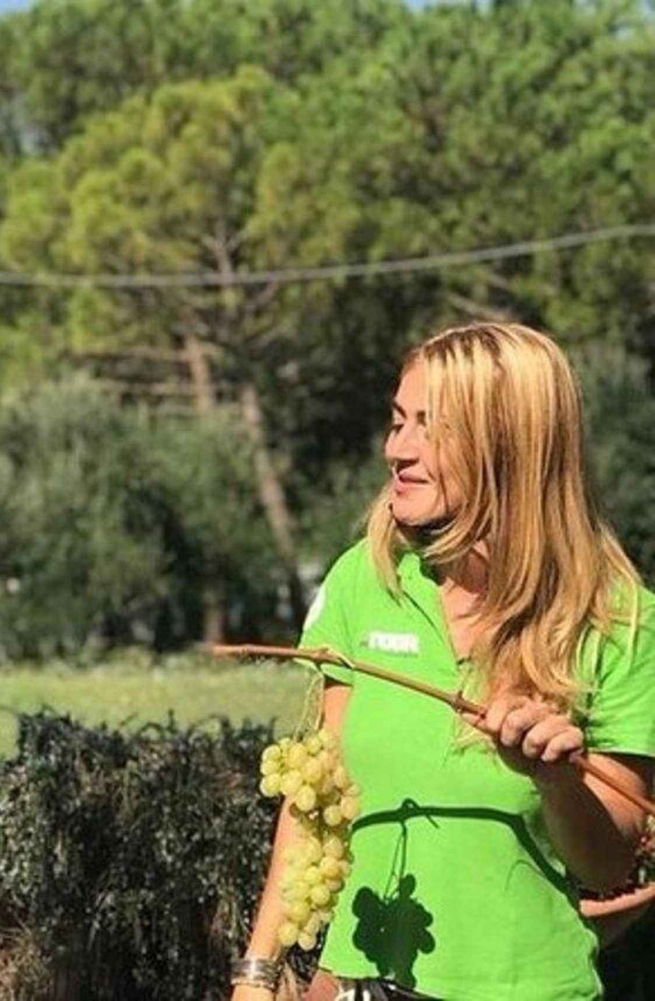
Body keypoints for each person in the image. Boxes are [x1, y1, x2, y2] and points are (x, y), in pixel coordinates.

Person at [230, 323, 655, 1001]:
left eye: (432, 428)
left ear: (512, 444)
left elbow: (607, 864)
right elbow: (316, 799)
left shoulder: (619, 621)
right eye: (399, 421)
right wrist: (258, 970)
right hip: (358, 986)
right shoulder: (366, 579)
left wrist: (556, 782)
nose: (397, 449)